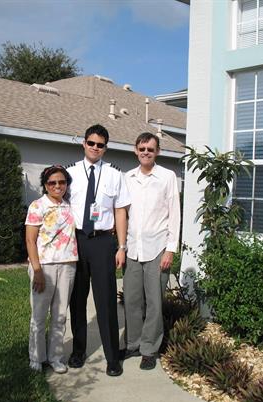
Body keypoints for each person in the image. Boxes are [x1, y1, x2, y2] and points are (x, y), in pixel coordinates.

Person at [65, 124, 130, 377]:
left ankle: (113, 358)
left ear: (105, 148)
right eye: (91, 143)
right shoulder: (69, 173)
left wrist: (121, 247)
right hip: (77, 241)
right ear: (84, 143)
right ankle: (78, 351)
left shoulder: (115, 175)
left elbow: (120, 212)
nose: (95, 147)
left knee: (106, 302)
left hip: (103, 243)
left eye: (100, 144)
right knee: (77, 300)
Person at [122, 132, 181, 370]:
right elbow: (122, 213)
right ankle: (133, 344)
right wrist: (121, 246)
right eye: (142, 148)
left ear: (157, 152)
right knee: (132, 299)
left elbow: (174, 214)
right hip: (133, 248)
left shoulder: (167, 177)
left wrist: (171, 250)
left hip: (158, 248)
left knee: (154, 302)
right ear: (135, 150)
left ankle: (149, 349)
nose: (146, 152)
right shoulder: (128, 178)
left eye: (150, 148)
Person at [25, 165, 78, 374]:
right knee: (39, 315)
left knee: (60, 315)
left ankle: (56, 357)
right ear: (45, 185)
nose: (57, 186)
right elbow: (30, 240)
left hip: (68, 265)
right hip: (44, 266)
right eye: (52, 182)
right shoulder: (37, 206)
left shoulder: (69, 205)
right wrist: (37, 270)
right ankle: (36, 357)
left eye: (62, 182)